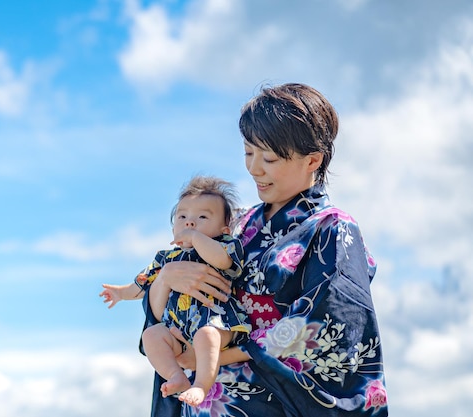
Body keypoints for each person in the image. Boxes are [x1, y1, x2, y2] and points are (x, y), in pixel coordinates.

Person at [142, 83, 388, 416]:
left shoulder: (332, 229)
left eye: (269, 158)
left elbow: (327, 325)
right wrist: (167, 278)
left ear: (312, 159)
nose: (254, 168)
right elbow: (162, 312)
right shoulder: (234, 226)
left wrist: (215, 356)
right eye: (248, 152)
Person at [100, 175, 251, 407]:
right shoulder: (165, 258)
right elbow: (144, 282)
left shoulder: (225, 246)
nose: (190, 222)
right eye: (182, 217)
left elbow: (222, 261)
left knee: (205, 335)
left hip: (218, 322)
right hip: (178, 328)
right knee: (151, 335)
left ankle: (201, 384)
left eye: (202, 217)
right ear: (173, 228)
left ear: (224, 228)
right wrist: (122, 293)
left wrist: (196, 238)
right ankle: (175, 375)